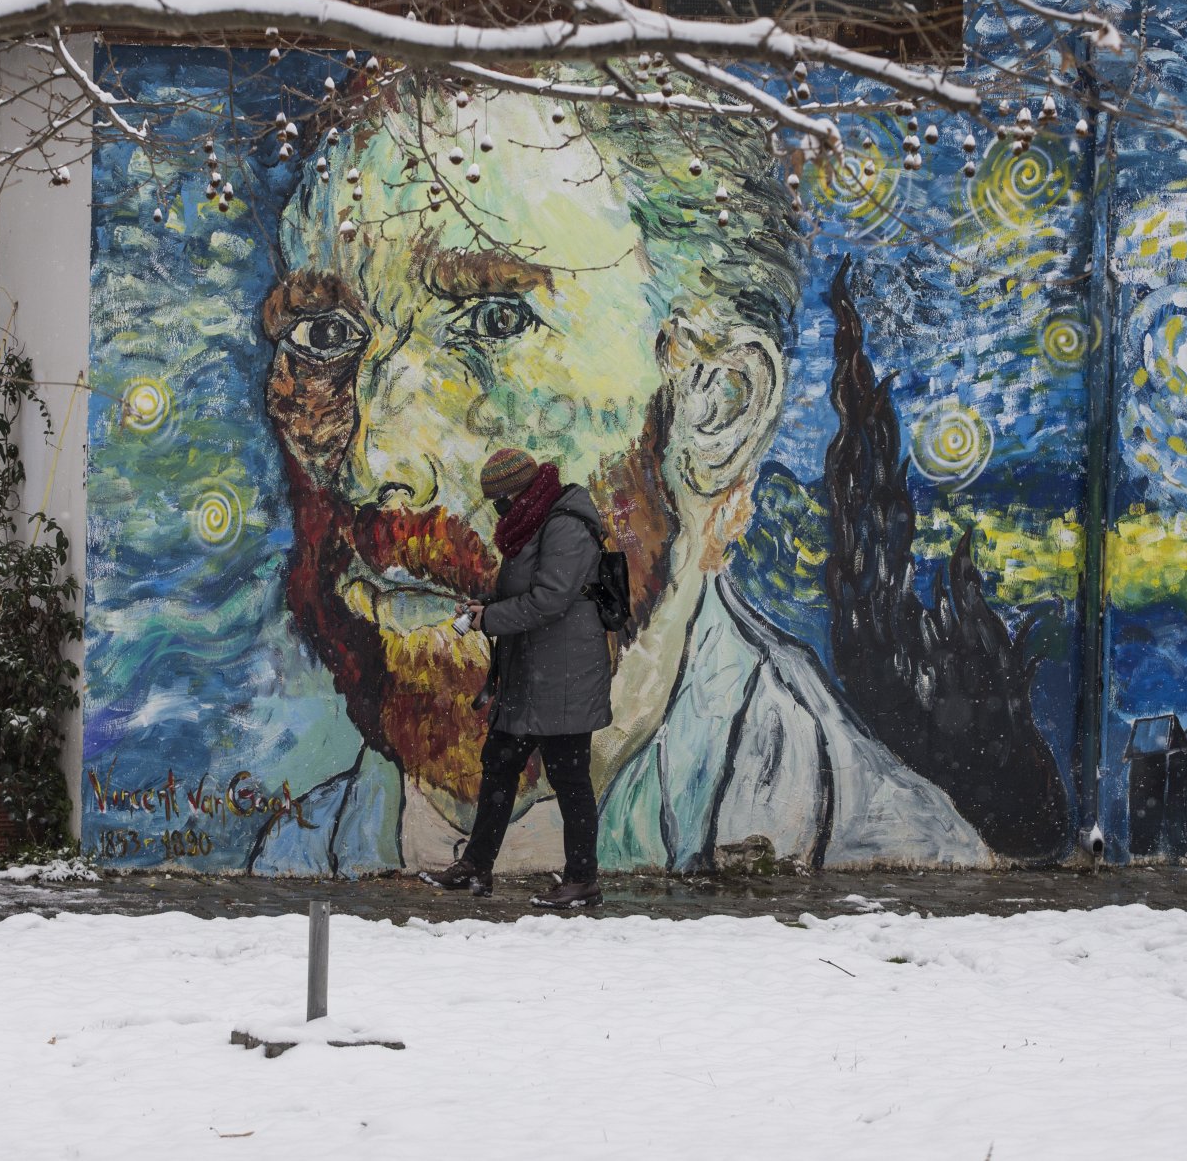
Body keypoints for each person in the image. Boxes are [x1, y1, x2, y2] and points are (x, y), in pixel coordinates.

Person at [247, 77, 987, 878]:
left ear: (716, 408)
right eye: (325, 332)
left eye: (496, 322)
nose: (376, 459)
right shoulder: (298, 850)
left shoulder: (875, 840)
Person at [415, 448, 611, 906]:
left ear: (518, 493)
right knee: (499, 765)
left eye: (500, 501)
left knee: (570, 778)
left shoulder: (565, 524)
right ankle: (476, 868)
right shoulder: (535, 524)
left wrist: (490, 620)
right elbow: (525, 589)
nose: (499, 511)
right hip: (531, 673)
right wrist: (488, 603)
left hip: (565, 677)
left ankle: (583, 880)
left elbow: (550, 599)